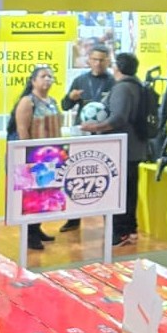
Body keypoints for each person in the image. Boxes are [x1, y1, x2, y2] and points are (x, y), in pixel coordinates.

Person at [81, 52, 148, 247]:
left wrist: (93, 127)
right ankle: (130, 230)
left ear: (117, 67)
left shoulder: (122, 88)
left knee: (119, 193)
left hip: (122, 150)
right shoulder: (138, 85)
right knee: (130, 191)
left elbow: (117, 118)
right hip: (135, 147)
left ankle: (120, 232)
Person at [59, 46, 115, 233]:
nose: (98, 63)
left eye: (102, 60)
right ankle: (73, 219)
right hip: (81, 134)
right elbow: (65, 106)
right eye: (95, 59)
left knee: (106, 175)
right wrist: (70, 97)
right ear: (89, 60)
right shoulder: (80, 80)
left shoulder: (113, 82)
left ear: (108, 61)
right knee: (76, 175)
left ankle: (108, 218)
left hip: (104, 136)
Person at [7, 65, 60, 251]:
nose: (47, 80)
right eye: (43, 76)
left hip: (50, 156)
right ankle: (29, 234)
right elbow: (22, 130)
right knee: (30, 196)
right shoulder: (27, 102)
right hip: (32, 157)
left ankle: (37, 228)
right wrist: (29, 158)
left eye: (50, 77)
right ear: (33, 81)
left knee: (44, 195)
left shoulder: (53, 101)